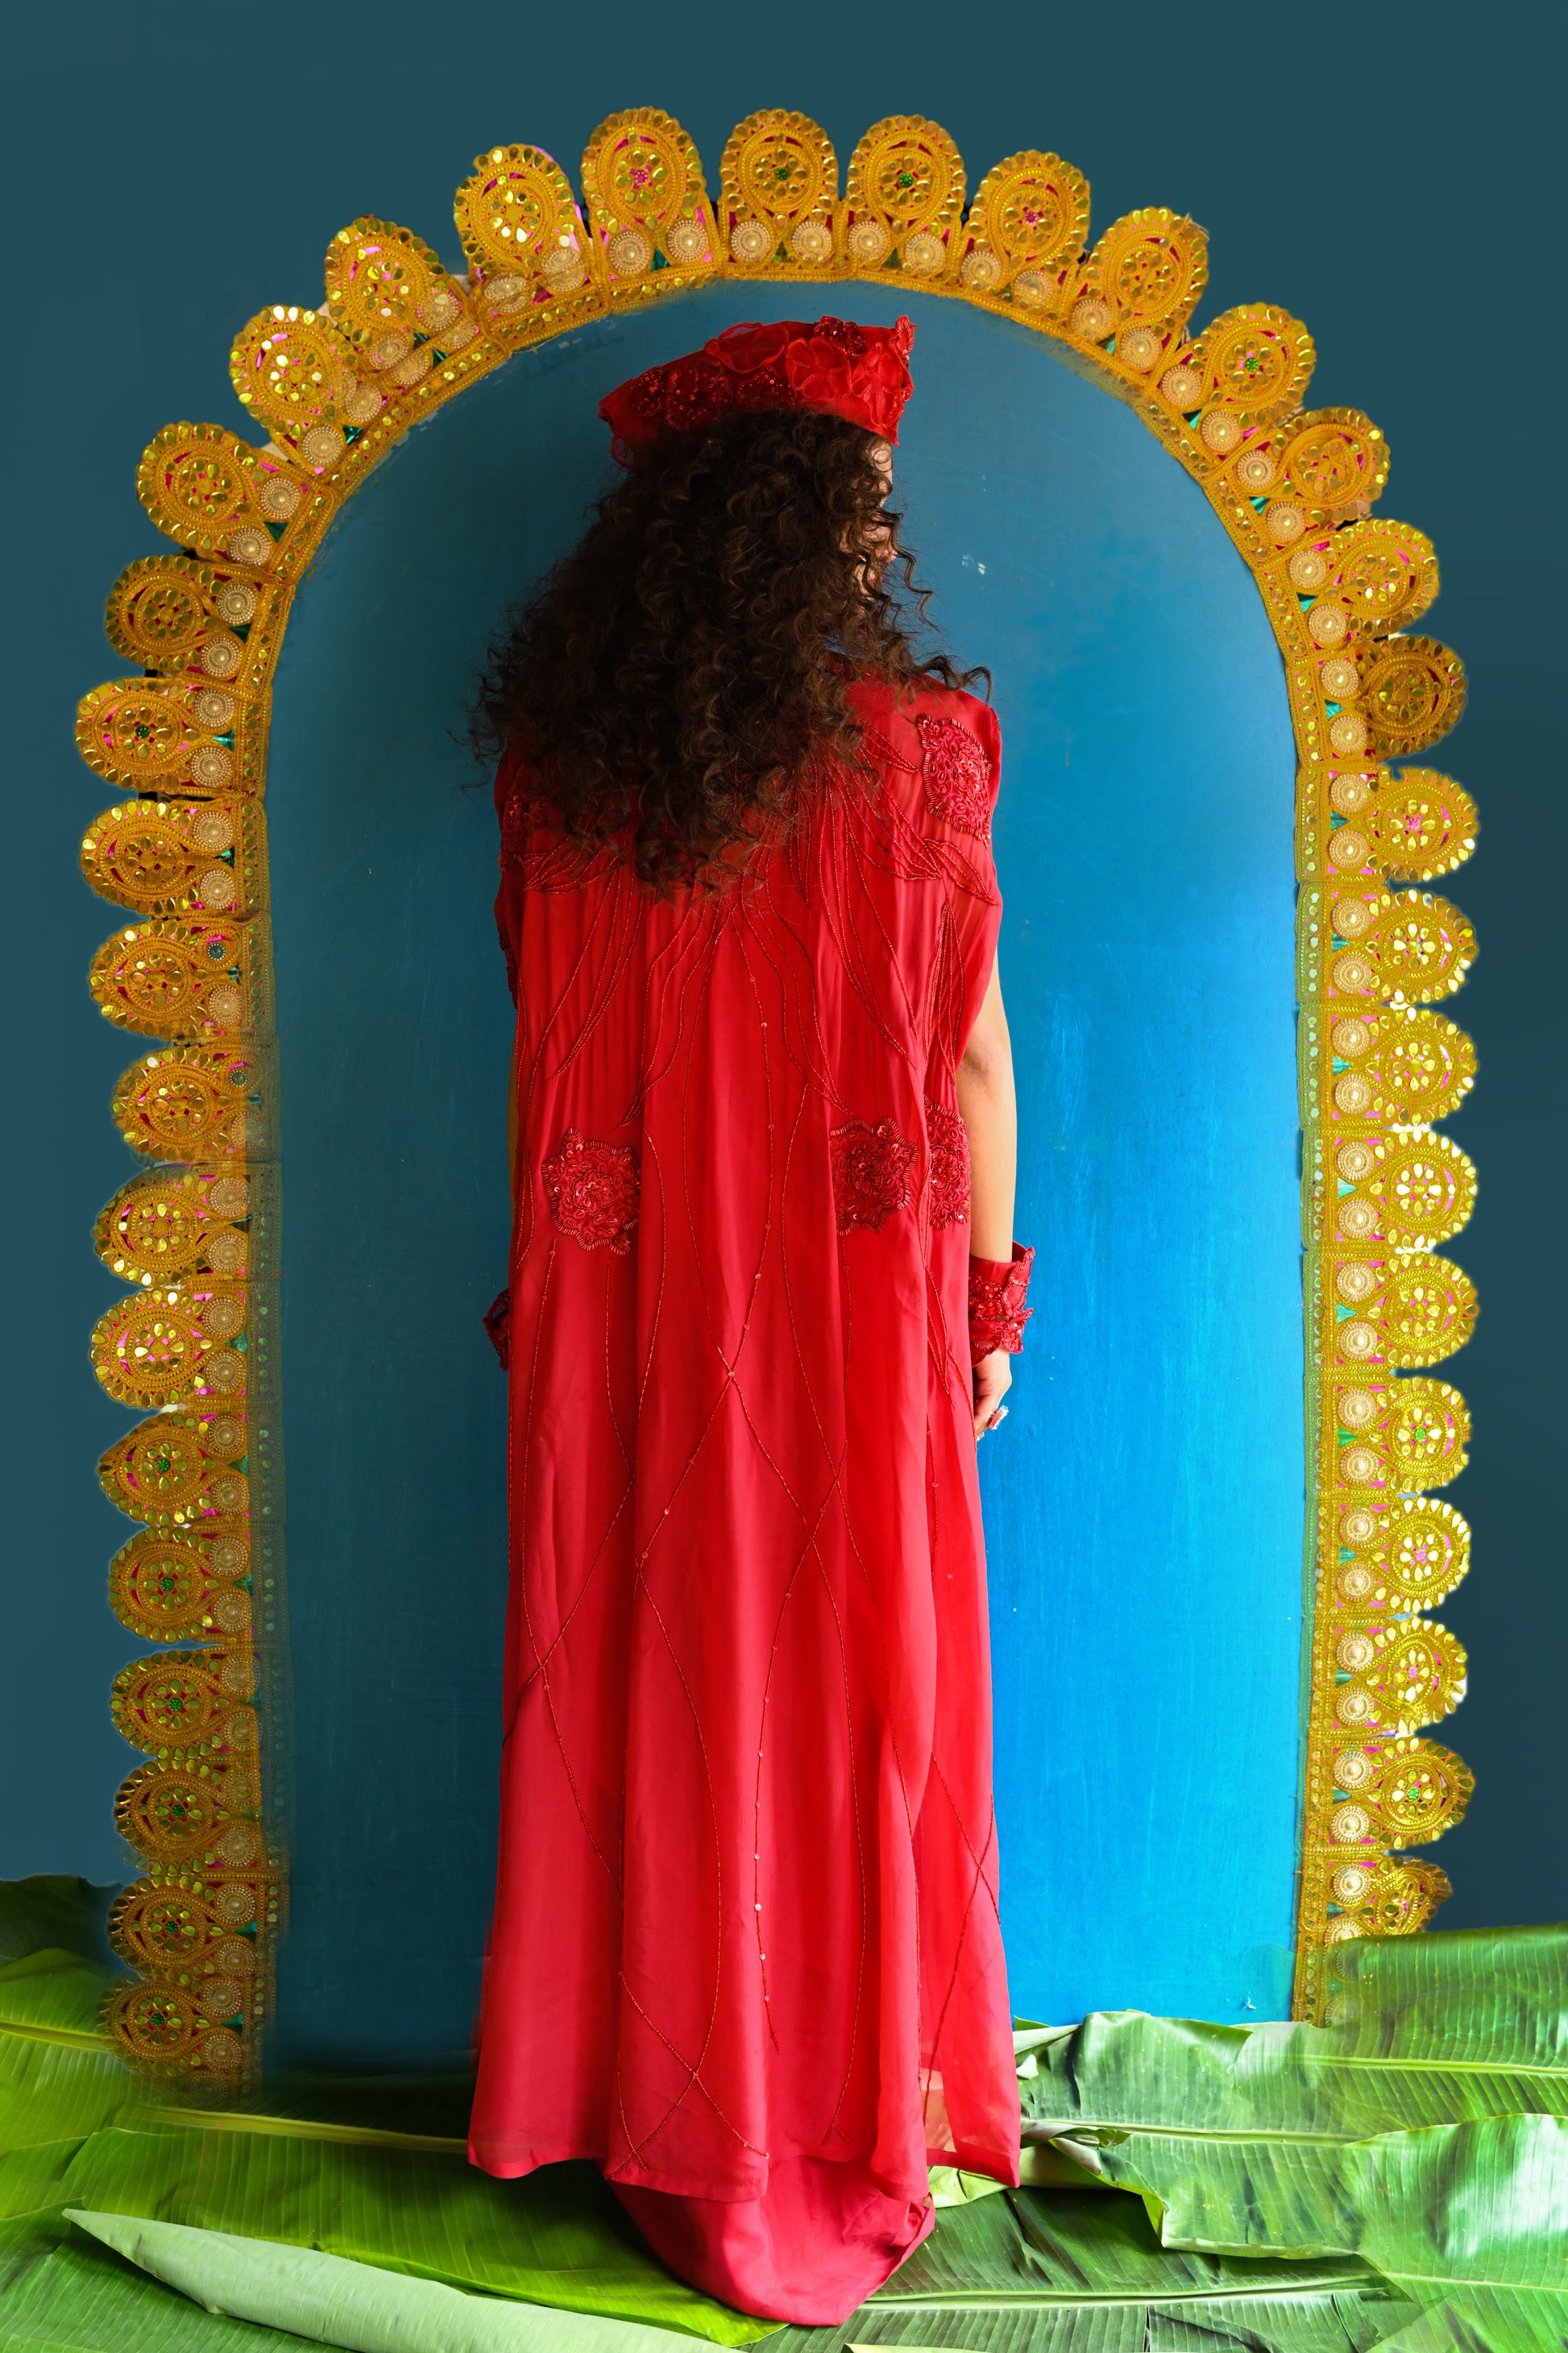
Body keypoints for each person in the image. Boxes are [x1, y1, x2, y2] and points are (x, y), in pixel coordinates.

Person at [467, 314, 1035, 2325]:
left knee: (655, 1673)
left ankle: (666, 2114)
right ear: (807, 526)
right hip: (864, 1317)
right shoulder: (930, 753)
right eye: (866, 500)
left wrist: (556, 1296)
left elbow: (549, 1064)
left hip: (626, 1314)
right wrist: (988, 1301)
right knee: (863, 1686)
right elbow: (971, 1059)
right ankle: (839, 2117)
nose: (886, 535)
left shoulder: (560, 777)